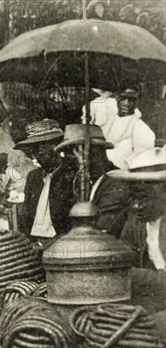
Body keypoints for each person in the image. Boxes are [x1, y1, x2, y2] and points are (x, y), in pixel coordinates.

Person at [108, 148, 166, 331]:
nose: (136, 206)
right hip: (156, 298)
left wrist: (130, 275)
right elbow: (125, 252)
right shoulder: (136, 222)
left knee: (143, 330)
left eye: (144, 198)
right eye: (133, 197)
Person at [55, 123, 131, 238]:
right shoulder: (85, 183)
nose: (67, 161)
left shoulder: (116, 182)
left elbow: (98, 227)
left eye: (72, 153)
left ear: (93, 152)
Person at [17, 119, 76, 243]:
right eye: (34, 148)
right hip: (35, 243)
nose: (39, 152)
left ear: (58, 146)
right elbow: (26, 214)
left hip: (64, 243)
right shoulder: (33, 177)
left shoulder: (71, 175)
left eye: (44, 144)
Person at [103, 85, 156, 169]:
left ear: (138, 101)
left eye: (132, 99)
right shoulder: (109, 122)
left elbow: (143, 163)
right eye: (123, 98)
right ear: (116, 98)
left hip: (123, 177)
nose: (126, 103)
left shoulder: (141, 128)